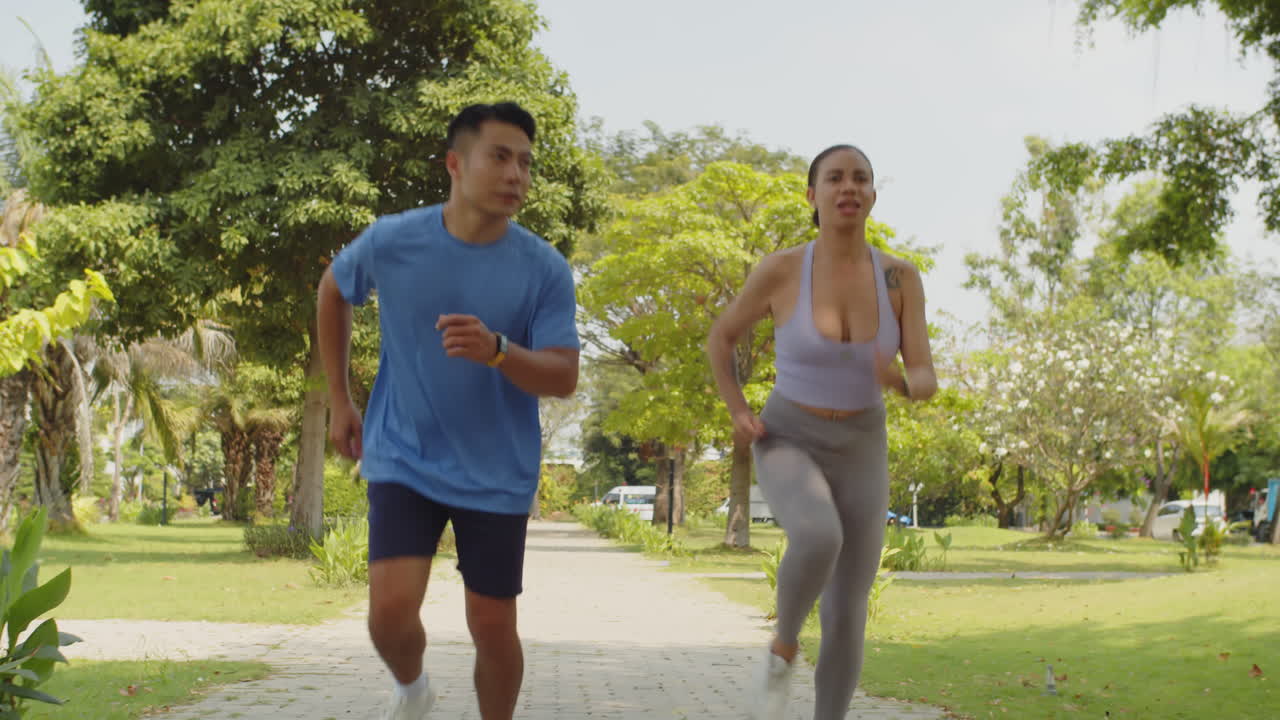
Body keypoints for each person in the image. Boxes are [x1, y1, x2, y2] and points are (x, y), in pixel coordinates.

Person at [316, 102, 580, 720]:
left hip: (497, 468)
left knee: (491, 624)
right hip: (403, 453)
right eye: (500, 157)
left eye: (525, 163)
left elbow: (564, 375)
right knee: (389, 611)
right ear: (455, 164)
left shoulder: (544, 268)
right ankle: (412, 689)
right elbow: (334, 288)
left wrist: (497, 350)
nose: (516, 174)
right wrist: (339, 399)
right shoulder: (393, 240)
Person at [706, 144, 936, 720]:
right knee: (817, 535)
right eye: (834, 178)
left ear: (873, 196)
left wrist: (903, 384)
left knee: (846, 611)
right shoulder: (782, 269)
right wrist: (737, 409)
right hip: (787, 435)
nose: (848, 187)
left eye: (861, 178)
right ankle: (783, 645)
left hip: (863, 445)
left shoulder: (900, 278)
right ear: (813, 196)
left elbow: (926, 373)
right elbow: (721, 338)